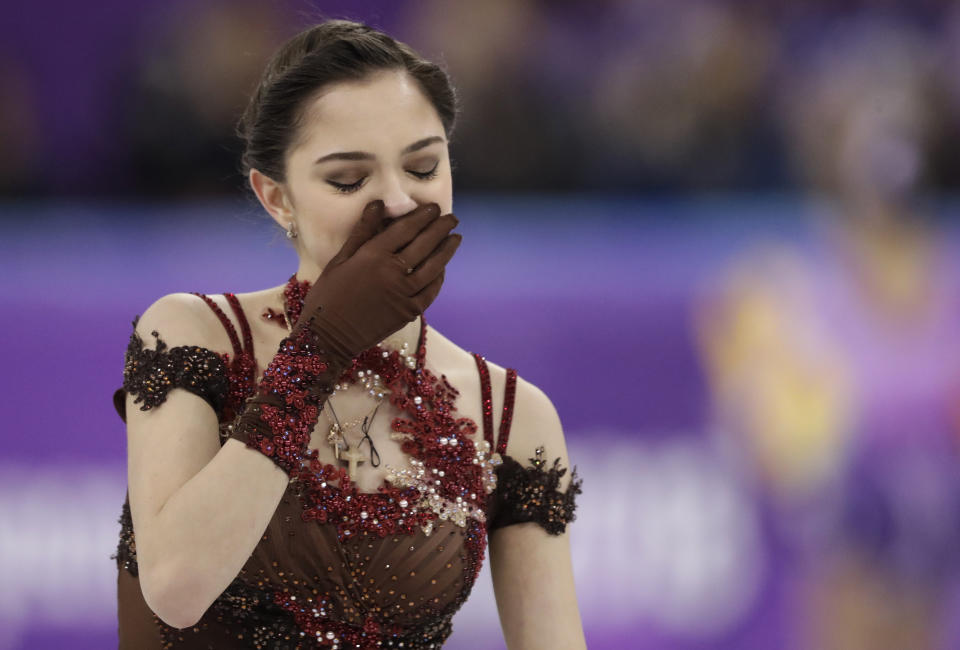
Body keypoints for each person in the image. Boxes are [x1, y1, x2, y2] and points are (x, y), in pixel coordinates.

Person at [111, 19, 585, 649]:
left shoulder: (510, 414)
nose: (395, 202)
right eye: (348, 180)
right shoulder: (195, 336)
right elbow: (176, 588)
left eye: (422, 166)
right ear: (277, 198)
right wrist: (321, 346)